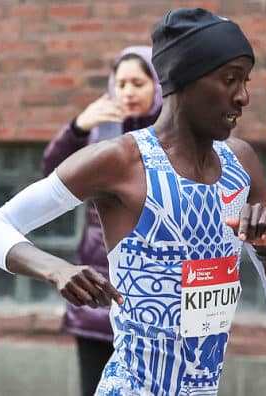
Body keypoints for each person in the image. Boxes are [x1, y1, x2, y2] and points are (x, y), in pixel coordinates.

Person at [0, 8, 266, 395]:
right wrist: (57, 269)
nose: (244, 96)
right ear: (185, 79)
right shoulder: (120, 160)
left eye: (245, 81)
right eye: (230, 79)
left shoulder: (242, 163)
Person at [42, 45, 163, 396]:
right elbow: (51, 176)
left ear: (157, 85)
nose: (127, 92)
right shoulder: (99, 132)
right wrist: (78, 128)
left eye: (137, 83)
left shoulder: (170, 133)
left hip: (153, 289)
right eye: (120, 83)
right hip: (99, 285)